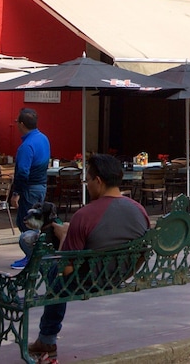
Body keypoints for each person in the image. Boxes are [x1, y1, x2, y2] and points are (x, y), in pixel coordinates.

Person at [27, 154, 150, 362]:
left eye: (88, 180)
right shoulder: (139, 210)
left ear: (98, 181)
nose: (87, 185)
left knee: (29, 241)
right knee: (53, 247)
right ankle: (47, 336)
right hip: (119, 275)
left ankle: (47, 337)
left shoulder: (84, 215)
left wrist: (65, 235)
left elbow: (65, 270)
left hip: (85, 281)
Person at [10, 108, 51, 270]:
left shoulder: (26, 146)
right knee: (36, 221)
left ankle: (31, 256)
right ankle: (34, 255)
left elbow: (22, 173)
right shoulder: (44, 139)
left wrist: (16, 194)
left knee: (25, 222)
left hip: (29, 188)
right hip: (41, 186)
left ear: (21, 124)